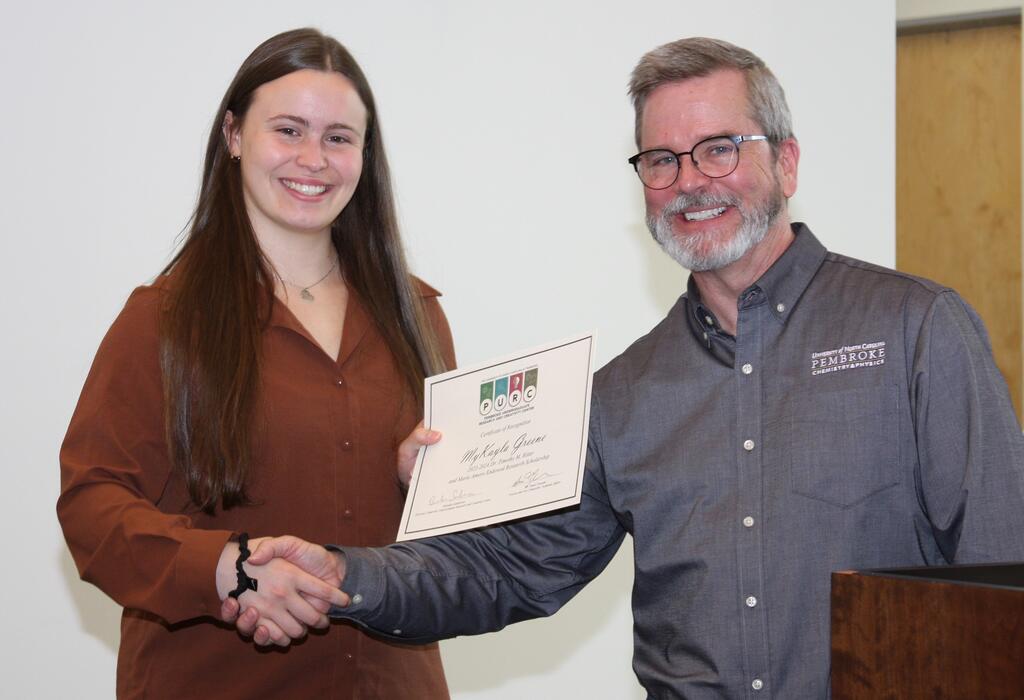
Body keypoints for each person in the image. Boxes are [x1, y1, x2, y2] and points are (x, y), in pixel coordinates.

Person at [225, 37, 1024, 697]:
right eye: (661, 160)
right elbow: (509, 571)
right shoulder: (622, 396)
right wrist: (341, 573)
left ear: (786, 162)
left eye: (719, 149)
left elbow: (1003, 582)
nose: (690, 183)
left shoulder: (916, 329)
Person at [57, 28, 453, 698]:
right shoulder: (162, 319)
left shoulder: (417, 313)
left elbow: (445, 541)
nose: (313, 159)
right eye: (289, 130)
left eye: (338, 138)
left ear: (365, 155)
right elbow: (91, 507)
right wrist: (228, 570)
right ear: (234, 136)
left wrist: (429, 479)